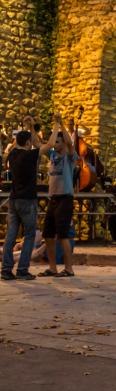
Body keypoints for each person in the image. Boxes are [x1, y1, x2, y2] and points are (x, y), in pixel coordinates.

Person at [1, 118, 41, 281]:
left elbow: (19, 143)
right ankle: (23, 269)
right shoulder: (30, 155)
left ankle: (6, 269)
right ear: (28, 142)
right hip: (27, 199)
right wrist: (32, 129)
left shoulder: (12, 154)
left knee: (10, 235)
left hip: (14, 198)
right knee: (30, 234)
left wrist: (28, 128)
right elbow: (42, 146)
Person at [39, 114, 78, 278]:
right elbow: (39, 145)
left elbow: (70, 143)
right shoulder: (53, 155)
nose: (55, 144)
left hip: (65, 198)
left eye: (57, 142)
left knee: (63, 235)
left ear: (63, 143)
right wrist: (32, 128)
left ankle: (69, 269)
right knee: (47, 235)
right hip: (53, 199)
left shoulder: (69, 157)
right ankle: (53, 268)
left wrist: (61, 125)